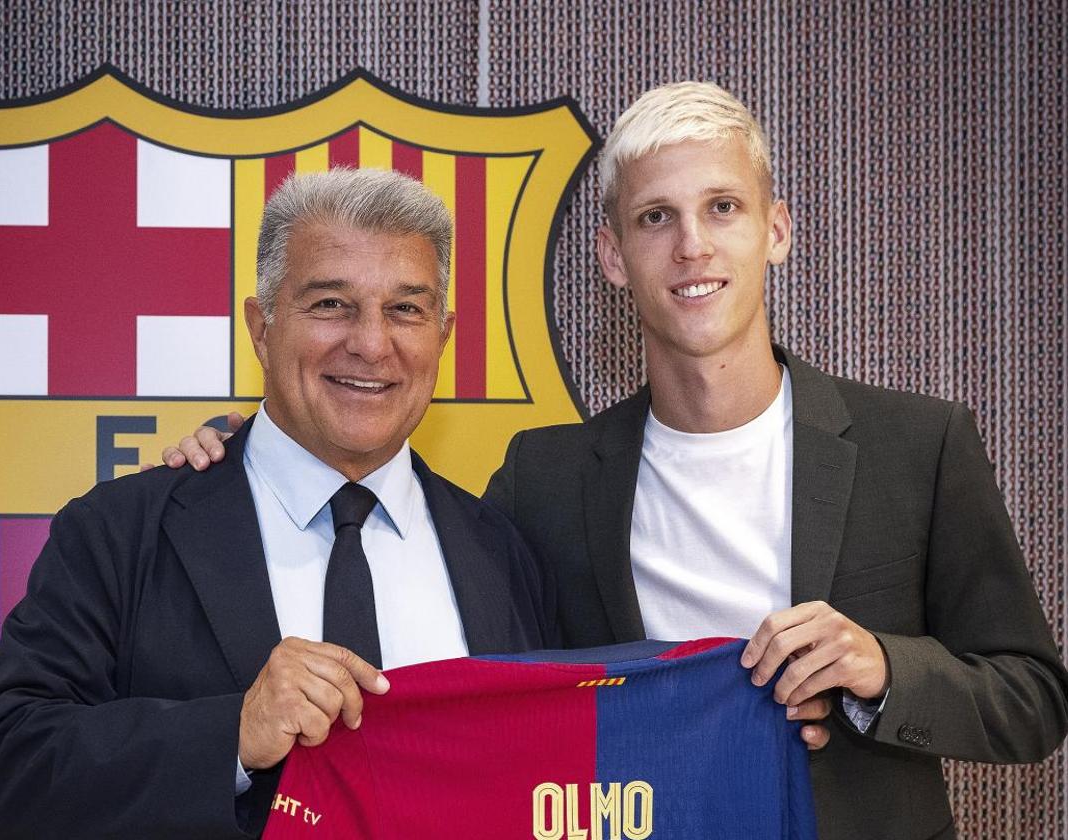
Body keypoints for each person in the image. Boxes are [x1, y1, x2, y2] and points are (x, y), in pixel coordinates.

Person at [169, 83, 1068, 839]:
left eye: (723, 208)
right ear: (612, 256)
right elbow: (466, 665)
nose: (691, 246)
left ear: (777, 231)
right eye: (654, 218)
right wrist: (248, 450)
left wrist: (879, 670)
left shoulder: (918, 445)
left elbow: (1032, 701)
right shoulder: (546, 479)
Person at [0, 168, 557, 840]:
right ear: (261, 325)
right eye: (331, 303)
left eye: (405, 309)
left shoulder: (502, 550)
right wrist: (232, 736)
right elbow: (10, 766)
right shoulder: (120, 531)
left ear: (443, 335)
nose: (370, 342)